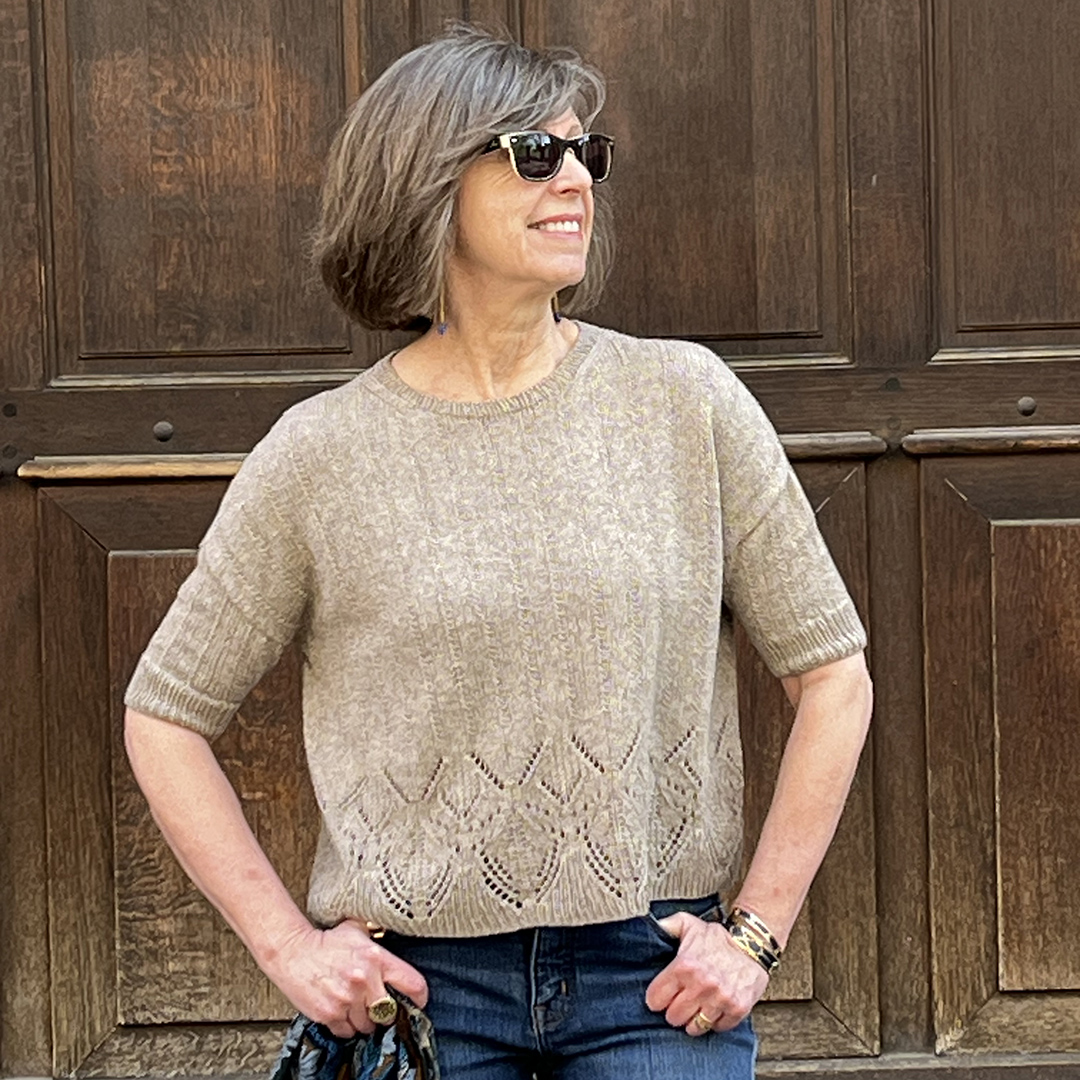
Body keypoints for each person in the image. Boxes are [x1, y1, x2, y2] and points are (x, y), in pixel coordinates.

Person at [124, 24, 872, 1080]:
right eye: (535, 153)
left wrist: (754, 933)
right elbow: (165, 715)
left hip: (651, 983)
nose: (576, 179)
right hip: (423, 995)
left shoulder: (684, 402)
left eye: (586, 153)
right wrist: (288, 947)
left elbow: (834, 677)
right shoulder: (321, 456)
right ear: (427, 181)